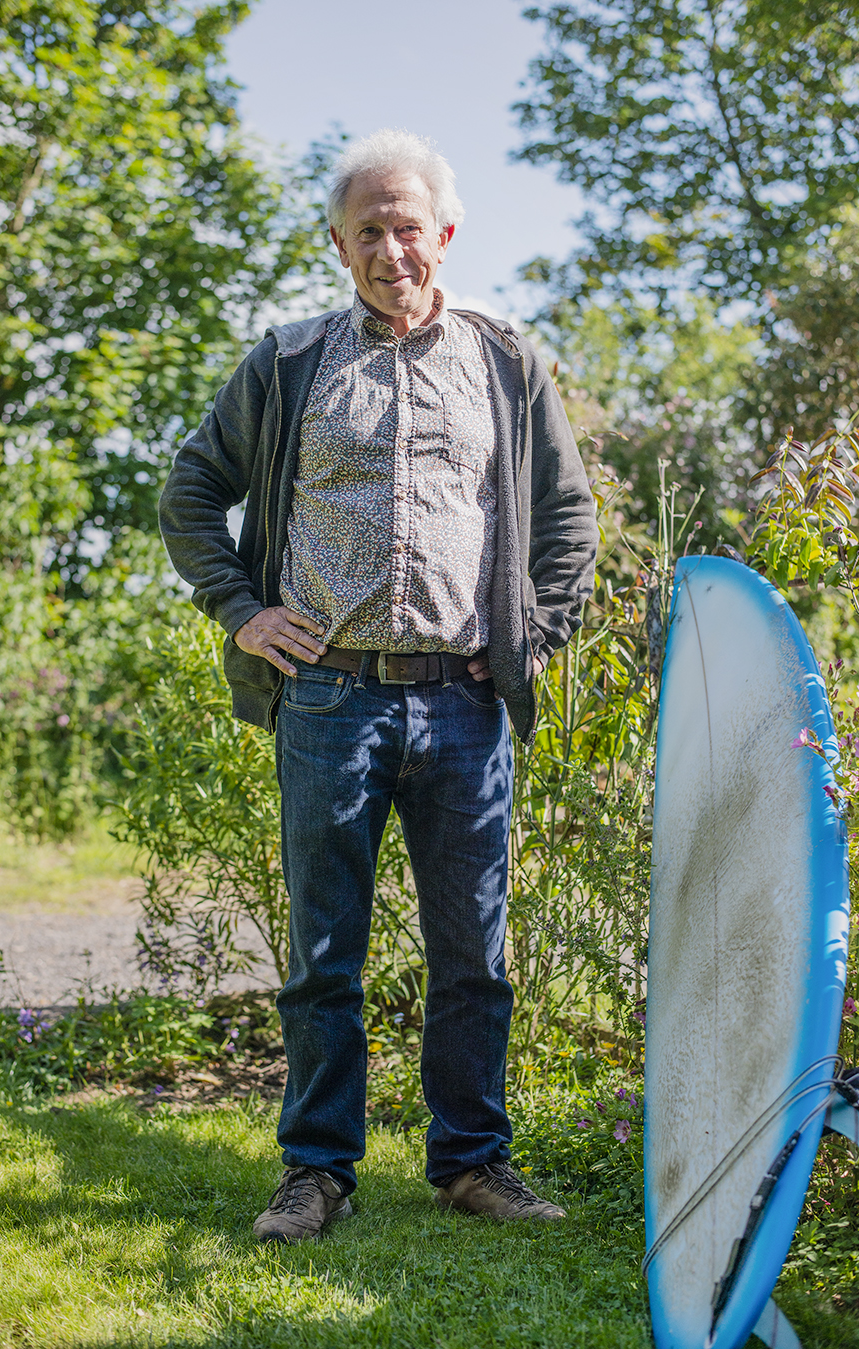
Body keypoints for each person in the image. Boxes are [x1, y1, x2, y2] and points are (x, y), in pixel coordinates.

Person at [159, 128, 599, 1243]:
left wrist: (535, 636)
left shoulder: (506, 363)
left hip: (464, 698)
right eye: (370, 230)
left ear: (443, 234)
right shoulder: (290, 361)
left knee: (474, 954)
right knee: (322, 956)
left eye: (410, 227)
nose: (391, 248)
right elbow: (192, 489)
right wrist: (243, 611)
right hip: (329, 700)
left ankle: (471, 1159)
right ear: (340, 245)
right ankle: (316, 1171)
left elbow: (566, 515)